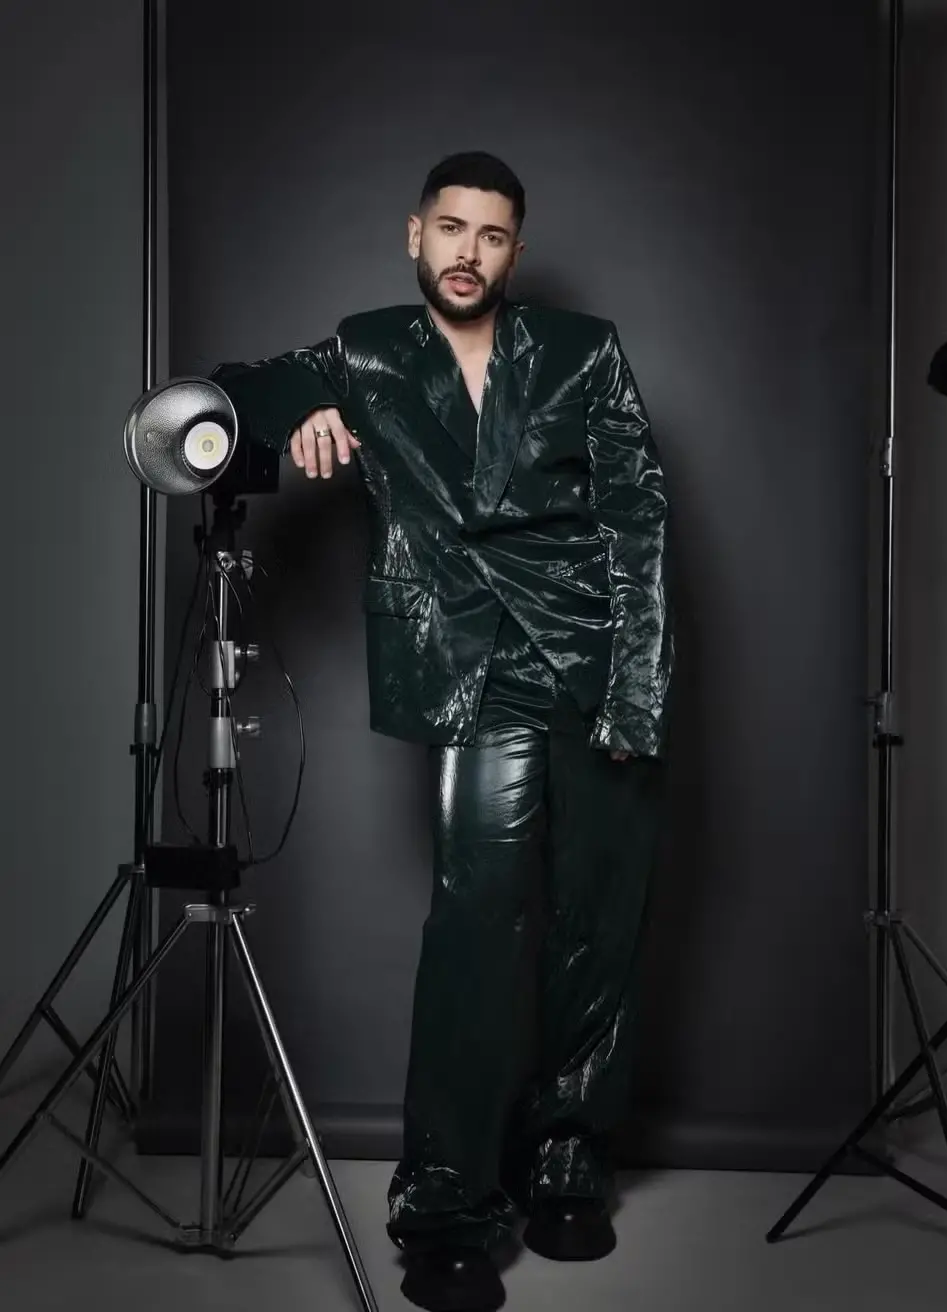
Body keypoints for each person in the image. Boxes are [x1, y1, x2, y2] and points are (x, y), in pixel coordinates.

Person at [210, 150, 674, 1312]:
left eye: (493, 235)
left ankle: (568, 1159)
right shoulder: (367, 350)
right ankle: (445, 1204)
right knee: (477, 924)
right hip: (469, 667)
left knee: (599, 920)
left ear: (515, 251)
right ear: (413, 233)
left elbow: (638, 518)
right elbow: (228, 390)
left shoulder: (582, 349)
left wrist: (636, 689)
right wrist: (306, 411)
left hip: (592, 655)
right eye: (452, 228)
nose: (469, 252)